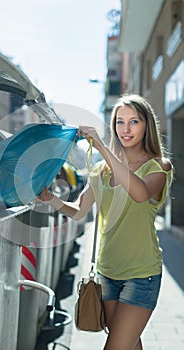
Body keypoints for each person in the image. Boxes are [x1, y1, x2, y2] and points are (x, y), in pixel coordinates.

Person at [38, 93, 173, 350]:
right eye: (120, 122)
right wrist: (50, 200)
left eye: (134, 121)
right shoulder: (101, 170)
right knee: (130, 344)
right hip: (107, 273)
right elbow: (79, 211)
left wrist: (102, 148)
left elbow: (140, 193)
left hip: (141, 275)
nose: (126, 128)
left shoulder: (158, 166)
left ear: (147, 125)